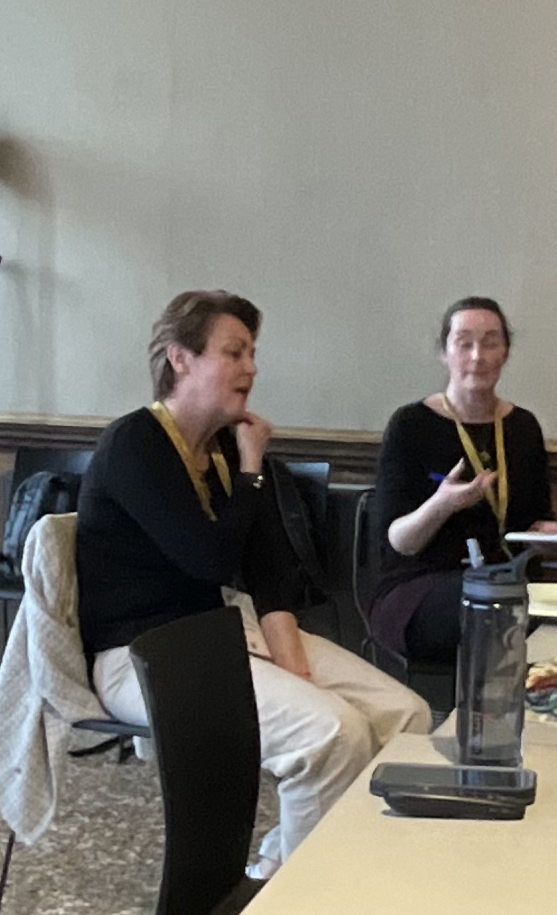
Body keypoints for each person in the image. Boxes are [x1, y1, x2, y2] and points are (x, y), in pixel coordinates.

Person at [78, 291, 427, 879]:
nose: (252, 368)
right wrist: (250, 471)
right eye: (234, 352)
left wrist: (296, 668)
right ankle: (303, 896)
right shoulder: (135, 442)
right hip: (141, 654)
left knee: (406, 716)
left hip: (221, 634)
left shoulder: (226, 447)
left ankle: (294, 863)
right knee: (332, 734)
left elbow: (270, 572)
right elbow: (208, 560)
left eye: (252, 353)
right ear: (180, 358)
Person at [367, 296, 557, 667]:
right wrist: (443, 504)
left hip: (511, 581)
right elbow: (399, 541)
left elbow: (535, 522)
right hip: (419, 587)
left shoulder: (523, 427)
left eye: (490, 343)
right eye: (464, 343)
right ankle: (490, 702)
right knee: (489, 603)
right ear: (444, 353)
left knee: (553, 608)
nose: (478, 356)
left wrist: (553, 536)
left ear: (505, 353)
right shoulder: (411, 424)